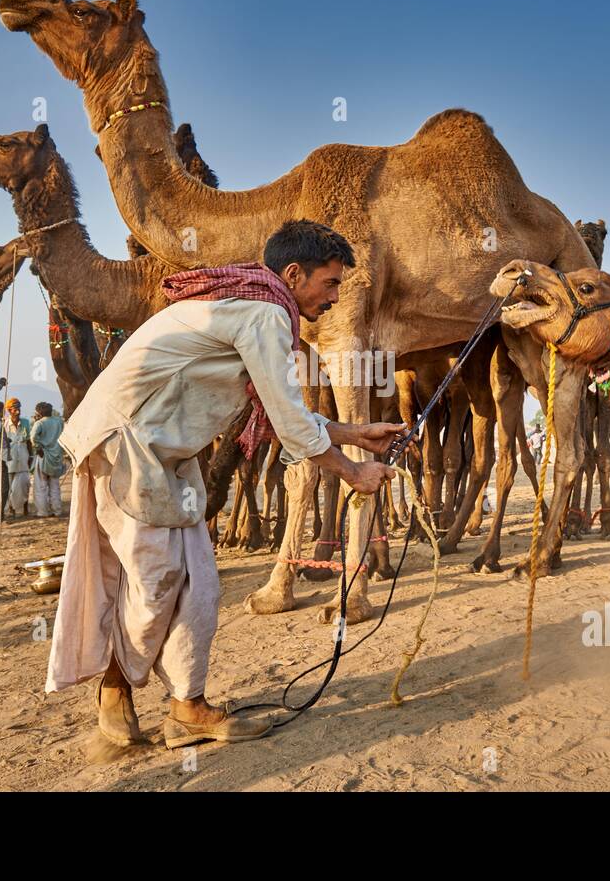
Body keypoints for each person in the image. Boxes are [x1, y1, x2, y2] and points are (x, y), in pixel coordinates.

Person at [45, 219, 403, 750]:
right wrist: (351, 470)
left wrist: (354, 433)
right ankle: (117, 687)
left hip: (164, 454)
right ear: (294, 273)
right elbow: (288, 418)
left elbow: (292, 413)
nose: (334, 298)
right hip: (129, 448)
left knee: (199, 585)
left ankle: (185, 707)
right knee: (156, 584)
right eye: (329, 284)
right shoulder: (264, 315)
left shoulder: (252, 308)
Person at [30, 401, 65, 518]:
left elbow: (33, 438)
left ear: (39, 412)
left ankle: (42, 512)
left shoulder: (39, 423)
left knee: (41, 486)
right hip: (57, 457)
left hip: (43, 456)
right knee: (55, 486)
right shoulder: (59, 422)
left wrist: (37, 448)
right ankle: (57, 511)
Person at [3, 398, 33, 517]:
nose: (18, 412)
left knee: (25, 484)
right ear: (9, 410)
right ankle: (12, 508)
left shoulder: (25, 422)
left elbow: (29, 441)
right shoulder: (5, 424)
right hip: (10, 459)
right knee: (10, 486)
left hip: (23, 456)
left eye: (19, 409)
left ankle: (25, 507)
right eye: (15, 409)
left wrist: (31, 456)